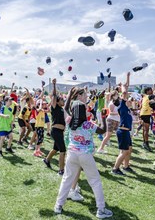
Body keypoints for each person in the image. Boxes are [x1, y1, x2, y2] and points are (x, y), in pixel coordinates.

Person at [54, 86, 112, 219]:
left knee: (66, 180)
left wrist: (69, 96)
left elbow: (65, 109)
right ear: (83, 112)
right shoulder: (88, 124)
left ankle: (58, 206)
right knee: (95, 181)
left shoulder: (69, 122)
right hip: (85, 155)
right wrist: (103, 117)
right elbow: (103, 130)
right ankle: (101, 210)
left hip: (72, 154)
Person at [111, 72, 135, 175]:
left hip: (126, 131)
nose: (129, 100)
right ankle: (115, 169)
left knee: (129, 149)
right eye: (127, 100)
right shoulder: (122, 106)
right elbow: (125, 93)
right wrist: (123, 84)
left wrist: (127, 79)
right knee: (124, 151)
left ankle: (126, 166)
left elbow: (125, 92)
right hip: (123, 131)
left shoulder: (127, 109)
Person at [43, 78, 66, 176]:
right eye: (61, 100)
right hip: (56, 131)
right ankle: (61, 170)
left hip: (60, 132)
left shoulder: (61, 109)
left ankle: (47, 160)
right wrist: (54, 85)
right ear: (56, 101)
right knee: (63, 150)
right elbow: (54, 96)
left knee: (56, 148)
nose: (63, 100)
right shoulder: (54, 107)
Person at [140, 87, 153, 151]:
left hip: (143, 113)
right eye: (151, 90)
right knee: (146, 130)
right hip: (146, 114)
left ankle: (144, 142)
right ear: (147, 91)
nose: (152, 91)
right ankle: (146, 144)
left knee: (144, 129)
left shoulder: (144, 97)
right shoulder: (148, 96)